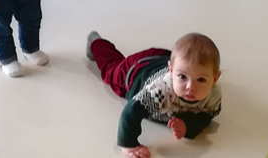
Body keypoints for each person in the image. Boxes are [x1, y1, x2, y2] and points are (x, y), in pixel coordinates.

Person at [85, 32, 222, 158]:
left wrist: (187, 125)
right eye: (182, 77)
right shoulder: (162, 90)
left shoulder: (212, 97)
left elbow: (205, 116)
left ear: (215, 79)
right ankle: (96, 42)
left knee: (187, 60)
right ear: (172, 71)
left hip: (164, 58)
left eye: (201, 79)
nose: (190, 87)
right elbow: (131, 111)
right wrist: (129, 144)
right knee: (111, 70)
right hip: (137, 69)